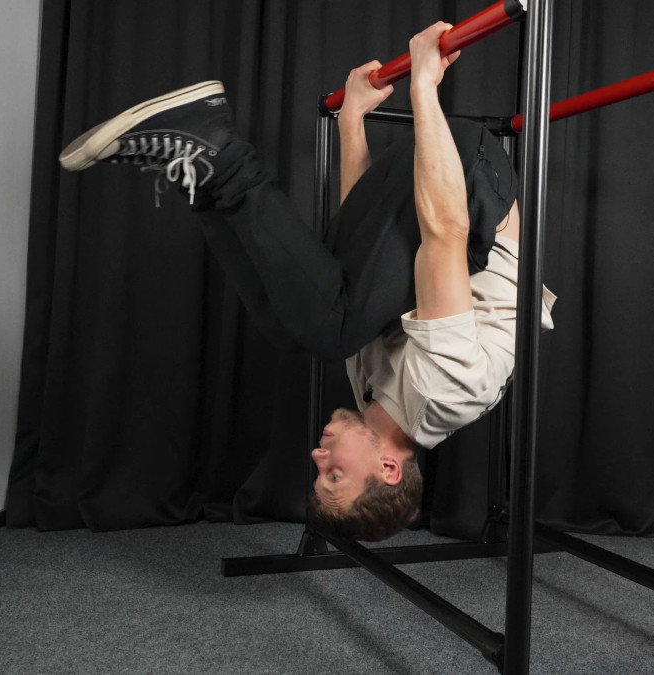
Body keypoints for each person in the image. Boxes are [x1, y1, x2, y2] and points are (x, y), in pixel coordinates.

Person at [58, 23, 554, 541]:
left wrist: (352, 120)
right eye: (334, 473)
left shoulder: (371, 395)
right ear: (388, 469)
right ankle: (220, 156)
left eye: (319, 473)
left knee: (294, 326)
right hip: (468, 184)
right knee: (328, 330)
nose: (318, 457)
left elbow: (360, 249)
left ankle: (204, 179)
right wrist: (424, 87)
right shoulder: (444, 393)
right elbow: (446, 231)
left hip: (436, 190)